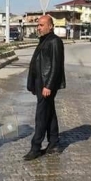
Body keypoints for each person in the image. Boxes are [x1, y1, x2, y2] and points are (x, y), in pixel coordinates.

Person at [24, 15, 66, 161]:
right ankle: (54, 143)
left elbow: (56, 66)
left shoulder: (54, 41)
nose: (38, 28)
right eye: (38, 25)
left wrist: (48, 86)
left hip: (46, 84)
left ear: (50, 26)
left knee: (41, 115)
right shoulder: (44, 40)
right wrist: (33, 83)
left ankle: (35, 147)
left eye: (41, 25)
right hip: (40, 83)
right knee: (50, 112)